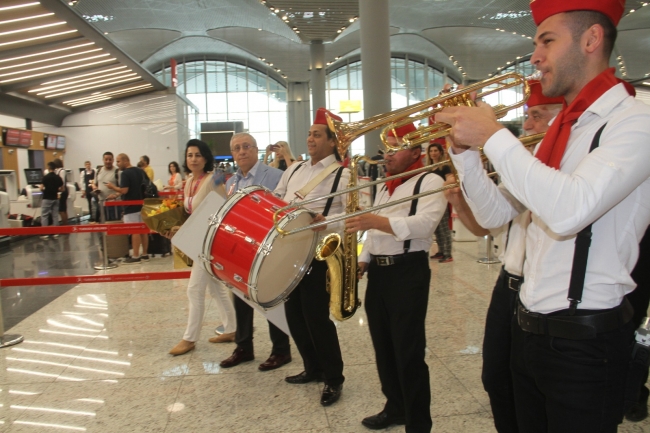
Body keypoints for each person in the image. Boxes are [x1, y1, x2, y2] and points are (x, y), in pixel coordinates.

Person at [436, 1, 650, 431]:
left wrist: (495, 136)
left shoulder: (636, 120)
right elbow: (498, 213)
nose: (535, 56)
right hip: (529, 328)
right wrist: (465, 157)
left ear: (591, 40)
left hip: (585, 343)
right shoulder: (562, 129)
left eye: (547, 41)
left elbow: (570, 210)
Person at [443, 80, 562, 433]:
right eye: (528, 116)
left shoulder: (562, 161)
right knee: (496, 379)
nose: (527, 126)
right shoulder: (527, 161)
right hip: (508, 286)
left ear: (561, 120)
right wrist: (464, 153)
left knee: (535, 394)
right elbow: (493, 216)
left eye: (537, 117)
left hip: (547, 294)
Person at [346, 123, 446, 432]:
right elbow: (373, 230)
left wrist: (377, 219)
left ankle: (418, 423)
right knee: (384, 347)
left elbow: (425, 224)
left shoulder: (430, 181)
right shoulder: (384, 183)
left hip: (407, 272)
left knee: (408, 351)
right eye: (385, 149)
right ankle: (395, 407)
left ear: (416, 151)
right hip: (379, 271)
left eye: (395, 149)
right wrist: (363, 260)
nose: (387, 155)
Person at [273, 107, 349, 407]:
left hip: (319, 253)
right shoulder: (294, 170)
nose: (310, 139)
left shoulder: (343, 174)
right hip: (289, 251)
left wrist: (326, 222)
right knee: (294, 315)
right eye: (308, 134)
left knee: (317, 317)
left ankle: (334, 378)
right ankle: (313, 367)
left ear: (332, 141)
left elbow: (352, 212)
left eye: (317, 134)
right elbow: (277, 197)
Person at [218, 133, 292, 371]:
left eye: (246, 146)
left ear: (256, 149)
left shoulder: (275, 176)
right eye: (237, 148)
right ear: (232, 154)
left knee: (272, 298)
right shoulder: (232, 182)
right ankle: (243, 347)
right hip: (241, 248)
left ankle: (281, 350)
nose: (242, 152)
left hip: (271, 248)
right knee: (240, 297)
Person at [168, 139, 237, 356]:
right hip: (196, 239)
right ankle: (233, 329)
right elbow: (190, 211)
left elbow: (221, 210)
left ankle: (189, 338)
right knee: (216, 288)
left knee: (194, 289)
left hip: (210, 241)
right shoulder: (188, 182)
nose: (193, 159)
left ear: (205, 157)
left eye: (198, 155)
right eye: (190, 155)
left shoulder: (213, 179)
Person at [106, 154, 149, 264]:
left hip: (131, 206)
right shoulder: (140, 171)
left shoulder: (125, 173)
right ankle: (144, 253)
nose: (117, 164)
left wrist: (112, 187)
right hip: (142, 204)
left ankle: (135, 255)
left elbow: (124, 190)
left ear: (126, 161)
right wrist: (116, 195)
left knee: (134, 230)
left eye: (118, 161)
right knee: (143, 230)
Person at [425, 139, 454, 263]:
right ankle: (441, 251)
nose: (433, 153)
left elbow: (450, 179)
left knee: (443, 229)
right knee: (436, 228)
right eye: (431, 151)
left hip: (441, 199)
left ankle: (448, 254)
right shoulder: (429, 168)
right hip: (432, 200)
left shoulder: (445, 166)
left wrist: (442, 187)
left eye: (436, 150)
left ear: (440, 152)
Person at [40, 161, 64, 240]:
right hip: (55, 198)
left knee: (44, 215)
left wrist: (44, 191)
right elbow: (62, 188)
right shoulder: (58, 177)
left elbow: (41, 188)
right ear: (55, 168)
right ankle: (56, 232)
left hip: (47, 198)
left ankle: (45, 233)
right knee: (55, 215)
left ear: (49, 168)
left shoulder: (45, 177)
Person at [94, 152, 120, 222]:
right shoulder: (98, 171)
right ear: (103, 160)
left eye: (110, 159)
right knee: (103, 224)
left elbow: (122, 189)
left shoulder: (117, 172)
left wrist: (115, 195)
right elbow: (95, 184)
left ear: (113, 160)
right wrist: (95, 189)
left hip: (114, 203)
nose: (108, 161)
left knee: (113, 225)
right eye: (106, 159)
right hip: (101, 202)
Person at [52, 158, 68, 225]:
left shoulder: (62, 171)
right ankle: (65, 224)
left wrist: (59, 191)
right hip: (61, 191)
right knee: (63, 209)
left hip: (62, 191)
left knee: (62, 210)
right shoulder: (57, 171)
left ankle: (65, 225)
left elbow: (62, 182)